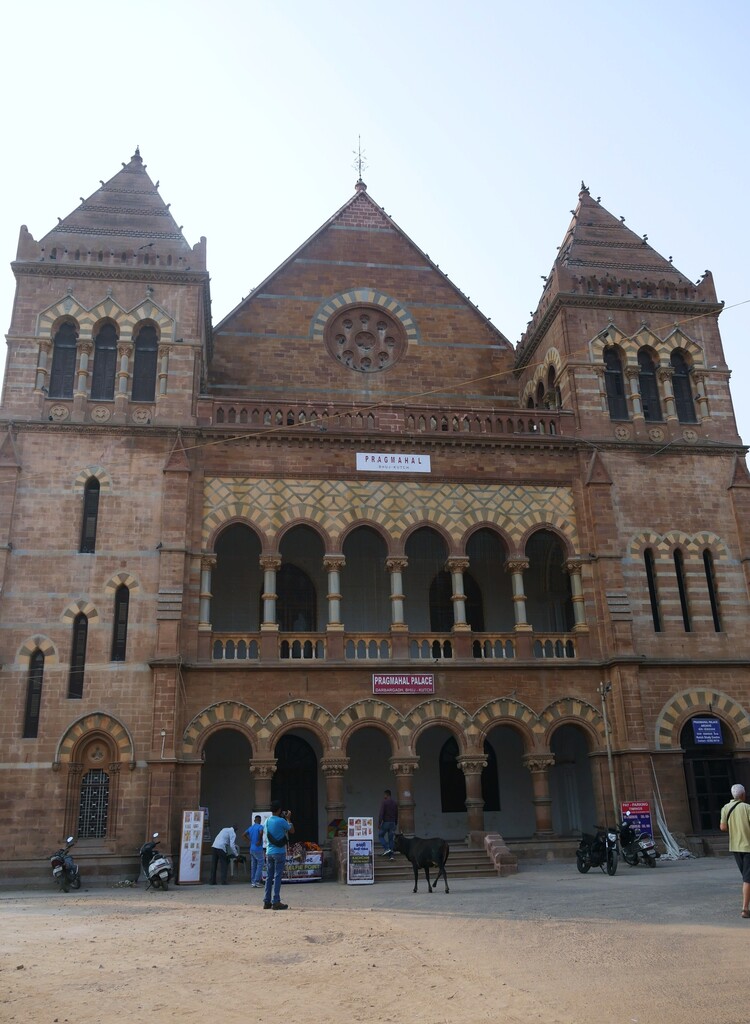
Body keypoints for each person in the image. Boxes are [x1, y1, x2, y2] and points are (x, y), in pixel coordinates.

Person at [719, 783, 750, 918]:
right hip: (748, 846)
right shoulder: (747, 808)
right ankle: (745, 909)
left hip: (735, 847)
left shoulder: (726, 808)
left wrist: (735, 827)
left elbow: (723, 827)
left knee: (746, 877)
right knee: (747, 879)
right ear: (743, 794)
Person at [263, 801, 294, 910]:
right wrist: (289, 818)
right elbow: (292, 830)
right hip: (279, 852)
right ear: (279, 810)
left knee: (269, 877)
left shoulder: (266, 821)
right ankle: (276, 901)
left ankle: (266, 901)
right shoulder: (281, 821)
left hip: (269, 852)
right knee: (277, 877)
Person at [245, 814, 265, 888]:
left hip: (252, 849)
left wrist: (248, 841)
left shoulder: (251, 828)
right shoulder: (260, 827)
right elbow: (261, 833)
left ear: (254, 821)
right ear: (260, 821)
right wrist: (259, 841)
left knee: (254, 865)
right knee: (260, 863)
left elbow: (243, 834)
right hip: (258, 849)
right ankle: (257, 881)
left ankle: (253, 881)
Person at [378, 788, 398, 859]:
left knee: (380, 836)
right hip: (392, 823)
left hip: (386, 822)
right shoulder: (395, 803)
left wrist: (379, 823)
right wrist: (395, 823)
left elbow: (381, 813)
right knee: (391, 839)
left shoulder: (384, 802)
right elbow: (396, 814)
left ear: (386, 795)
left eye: (384, 795)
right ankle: (391, 856)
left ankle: (386, 848)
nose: (384, 796)